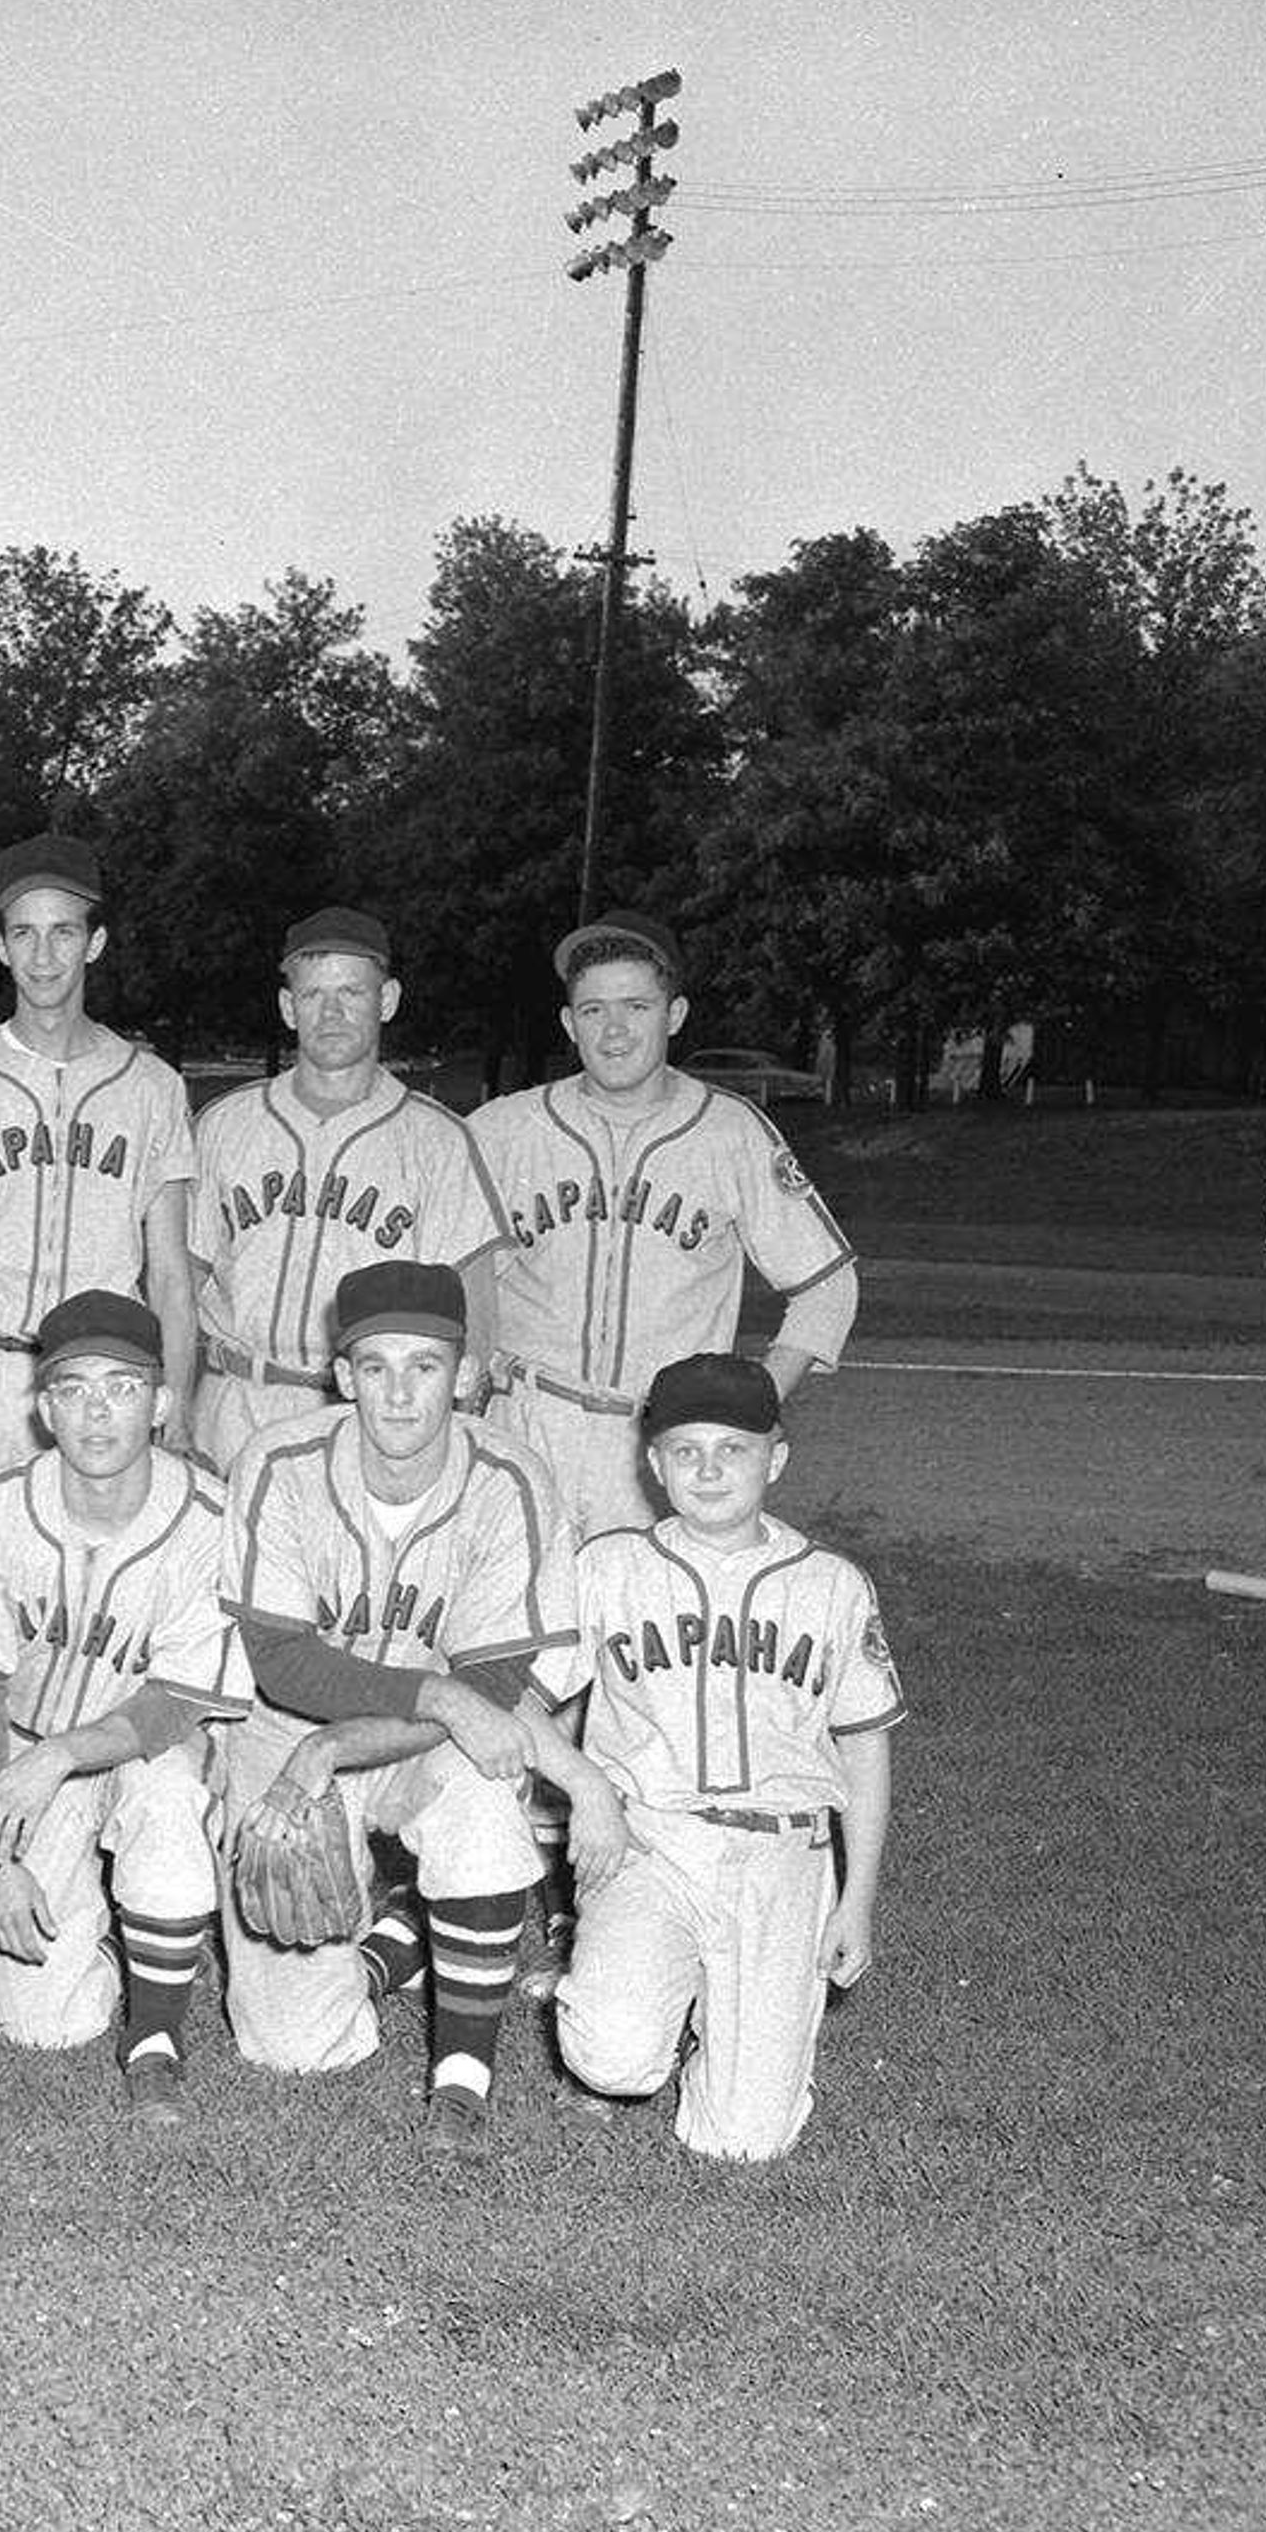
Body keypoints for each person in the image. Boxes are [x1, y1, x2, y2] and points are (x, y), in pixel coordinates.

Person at [210, 1262, 587, 2155]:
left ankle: (462, 2081)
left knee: (487, 1796)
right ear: (342, 1375)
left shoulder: (514, 1478)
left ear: (464, 1373)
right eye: (375, 1366)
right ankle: (400, 1944)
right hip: (292, 1724)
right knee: (294, 2050)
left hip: (435, 1740)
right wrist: (421, 1701)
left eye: (425, 1366)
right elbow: (282, 1659)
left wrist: (376, 1732)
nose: (401, 1392)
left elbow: (496, 1688)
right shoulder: (278, 1460)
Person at [0, 1292, 246, 2115]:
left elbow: (177, 1702)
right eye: (73, 1389)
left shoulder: (214, 1521)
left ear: (163, 1403)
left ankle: (156, 2041)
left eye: (122, 1387)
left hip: (144, 1748)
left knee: (167, 1793)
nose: (98, 1412)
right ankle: (121, 1930)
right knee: (41, 2026)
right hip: (20, 1752)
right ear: (44, 1409)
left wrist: (60, 1757)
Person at [554, 1352, 904, 2162]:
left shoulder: (832, 1585)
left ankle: (733, 2024)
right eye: (685, 1450)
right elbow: (523, 1698)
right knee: (611, 2058)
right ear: (653, 1464)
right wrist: (588, 1793)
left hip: (785, 1859)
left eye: (733, 1450)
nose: (708, 1470)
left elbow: (865, 1743)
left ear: (775, 1459)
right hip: (653, 1844)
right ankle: (649, 1985)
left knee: (746, 2143)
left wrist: (857, 1900)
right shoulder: (608, 1568)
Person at [466, 910, 857, 1540]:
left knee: (639, 1633)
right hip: (522, 1428)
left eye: (636, 1007)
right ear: (569, 1024)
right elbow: (448, 1274)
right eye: (593, 1011)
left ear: (674, 1015)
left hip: (660, 1442)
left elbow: (828, 1286)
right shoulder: (501, 1130)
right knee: (513, 1631)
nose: (614, 1030)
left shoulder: (731, 1133)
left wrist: (746, 1407)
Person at [0, 833, 198, 1493]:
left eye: (63, 932)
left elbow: (171, 1274)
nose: (44, 955)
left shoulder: (151, 1087)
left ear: (95, 942)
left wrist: (181, 1406)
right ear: (1, 947)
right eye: (24, 934)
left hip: (100, 1383)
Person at [186, 906, 509, 1467]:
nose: (331, 1013)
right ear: (288, 1007)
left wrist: (447, 1440)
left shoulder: (438, 1139)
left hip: (367, 1421)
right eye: (312, 995)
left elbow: (473, 1317)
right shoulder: (224, 1123)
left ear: (387, 1000)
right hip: (229, 1406)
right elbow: (179, 1284)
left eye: (352, 993)